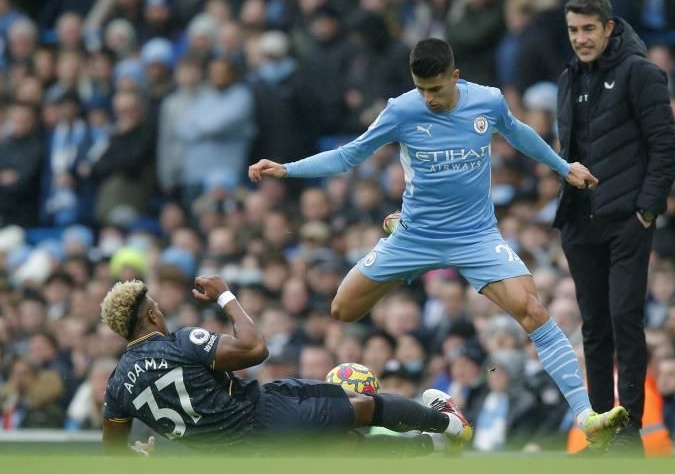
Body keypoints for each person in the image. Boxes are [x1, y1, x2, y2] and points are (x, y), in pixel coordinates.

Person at [249, 38, 628, 451]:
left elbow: (519, 135)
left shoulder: (488, 102)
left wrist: (562, 166)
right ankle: (402, 246)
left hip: (475, 236)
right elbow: (348, 156)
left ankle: (586, 415)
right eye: (421, 88)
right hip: (417, 236)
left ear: (456, 77)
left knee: (533, 310)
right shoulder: (402, 109)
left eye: (436, 89)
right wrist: (286, 169)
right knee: (343, 309)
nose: (428, 98)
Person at [101, 275, 471, 456]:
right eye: (159, 309)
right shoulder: (180, 342)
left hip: (235, 456)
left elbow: (113, 454)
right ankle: (449, 423)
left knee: (343, 451)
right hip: (259, 418)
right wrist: (226, 296)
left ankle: (434, 447)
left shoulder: (117, 386)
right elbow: (255, 348)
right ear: (151, 315)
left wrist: (140, 458)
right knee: (363, 407)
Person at [553, 0, 675, 455]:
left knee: (625, 319)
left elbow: (666, 148)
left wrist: (646, 209)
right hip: (580, 220)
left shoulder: (641, 73)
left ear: (609, 28)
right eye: (573, 30)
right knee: (593, 327)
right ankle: (603, 432)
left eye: (589, 29)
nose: (581, 39)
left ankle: (630, 431)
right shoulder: (568, 78)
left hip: (626, 218)